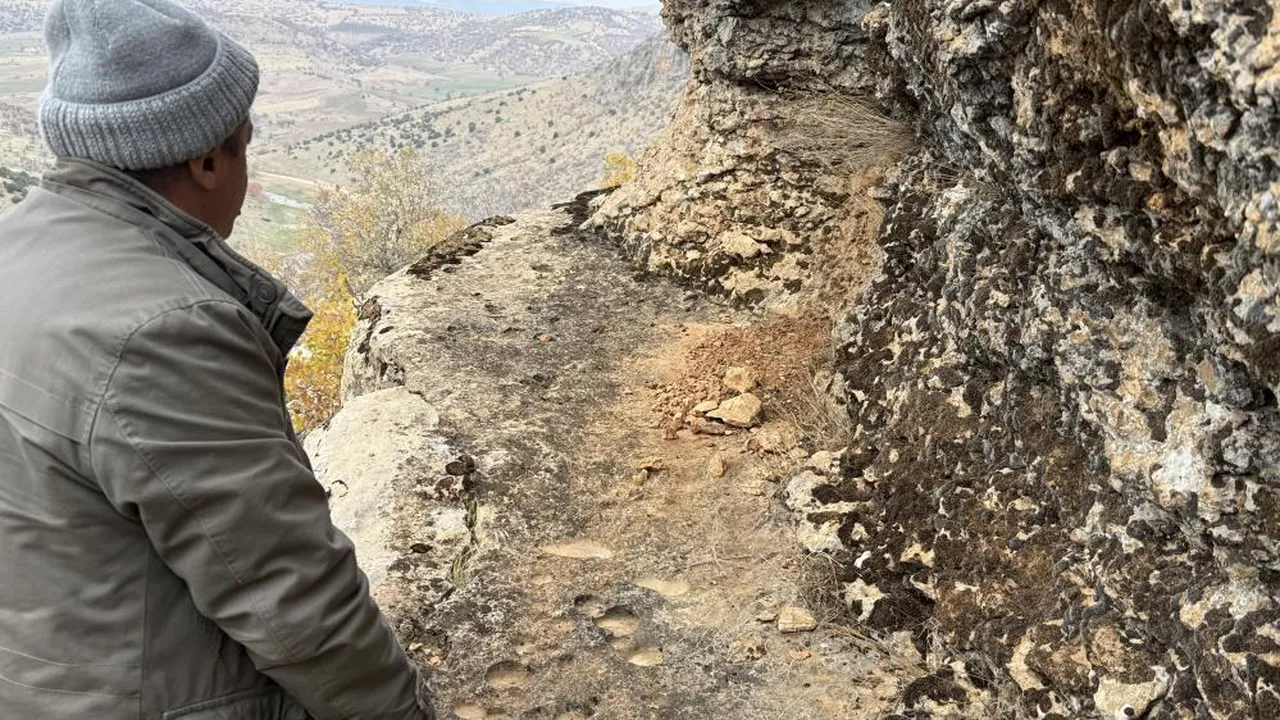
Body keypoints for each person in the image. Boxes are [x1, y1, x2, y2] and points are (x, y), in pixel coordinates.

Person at [0, 0, 435, 717]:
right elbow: (290, 598)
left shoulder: (17, 247)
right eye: (246, 142)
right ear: (207, 159)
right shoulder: (167, 331)